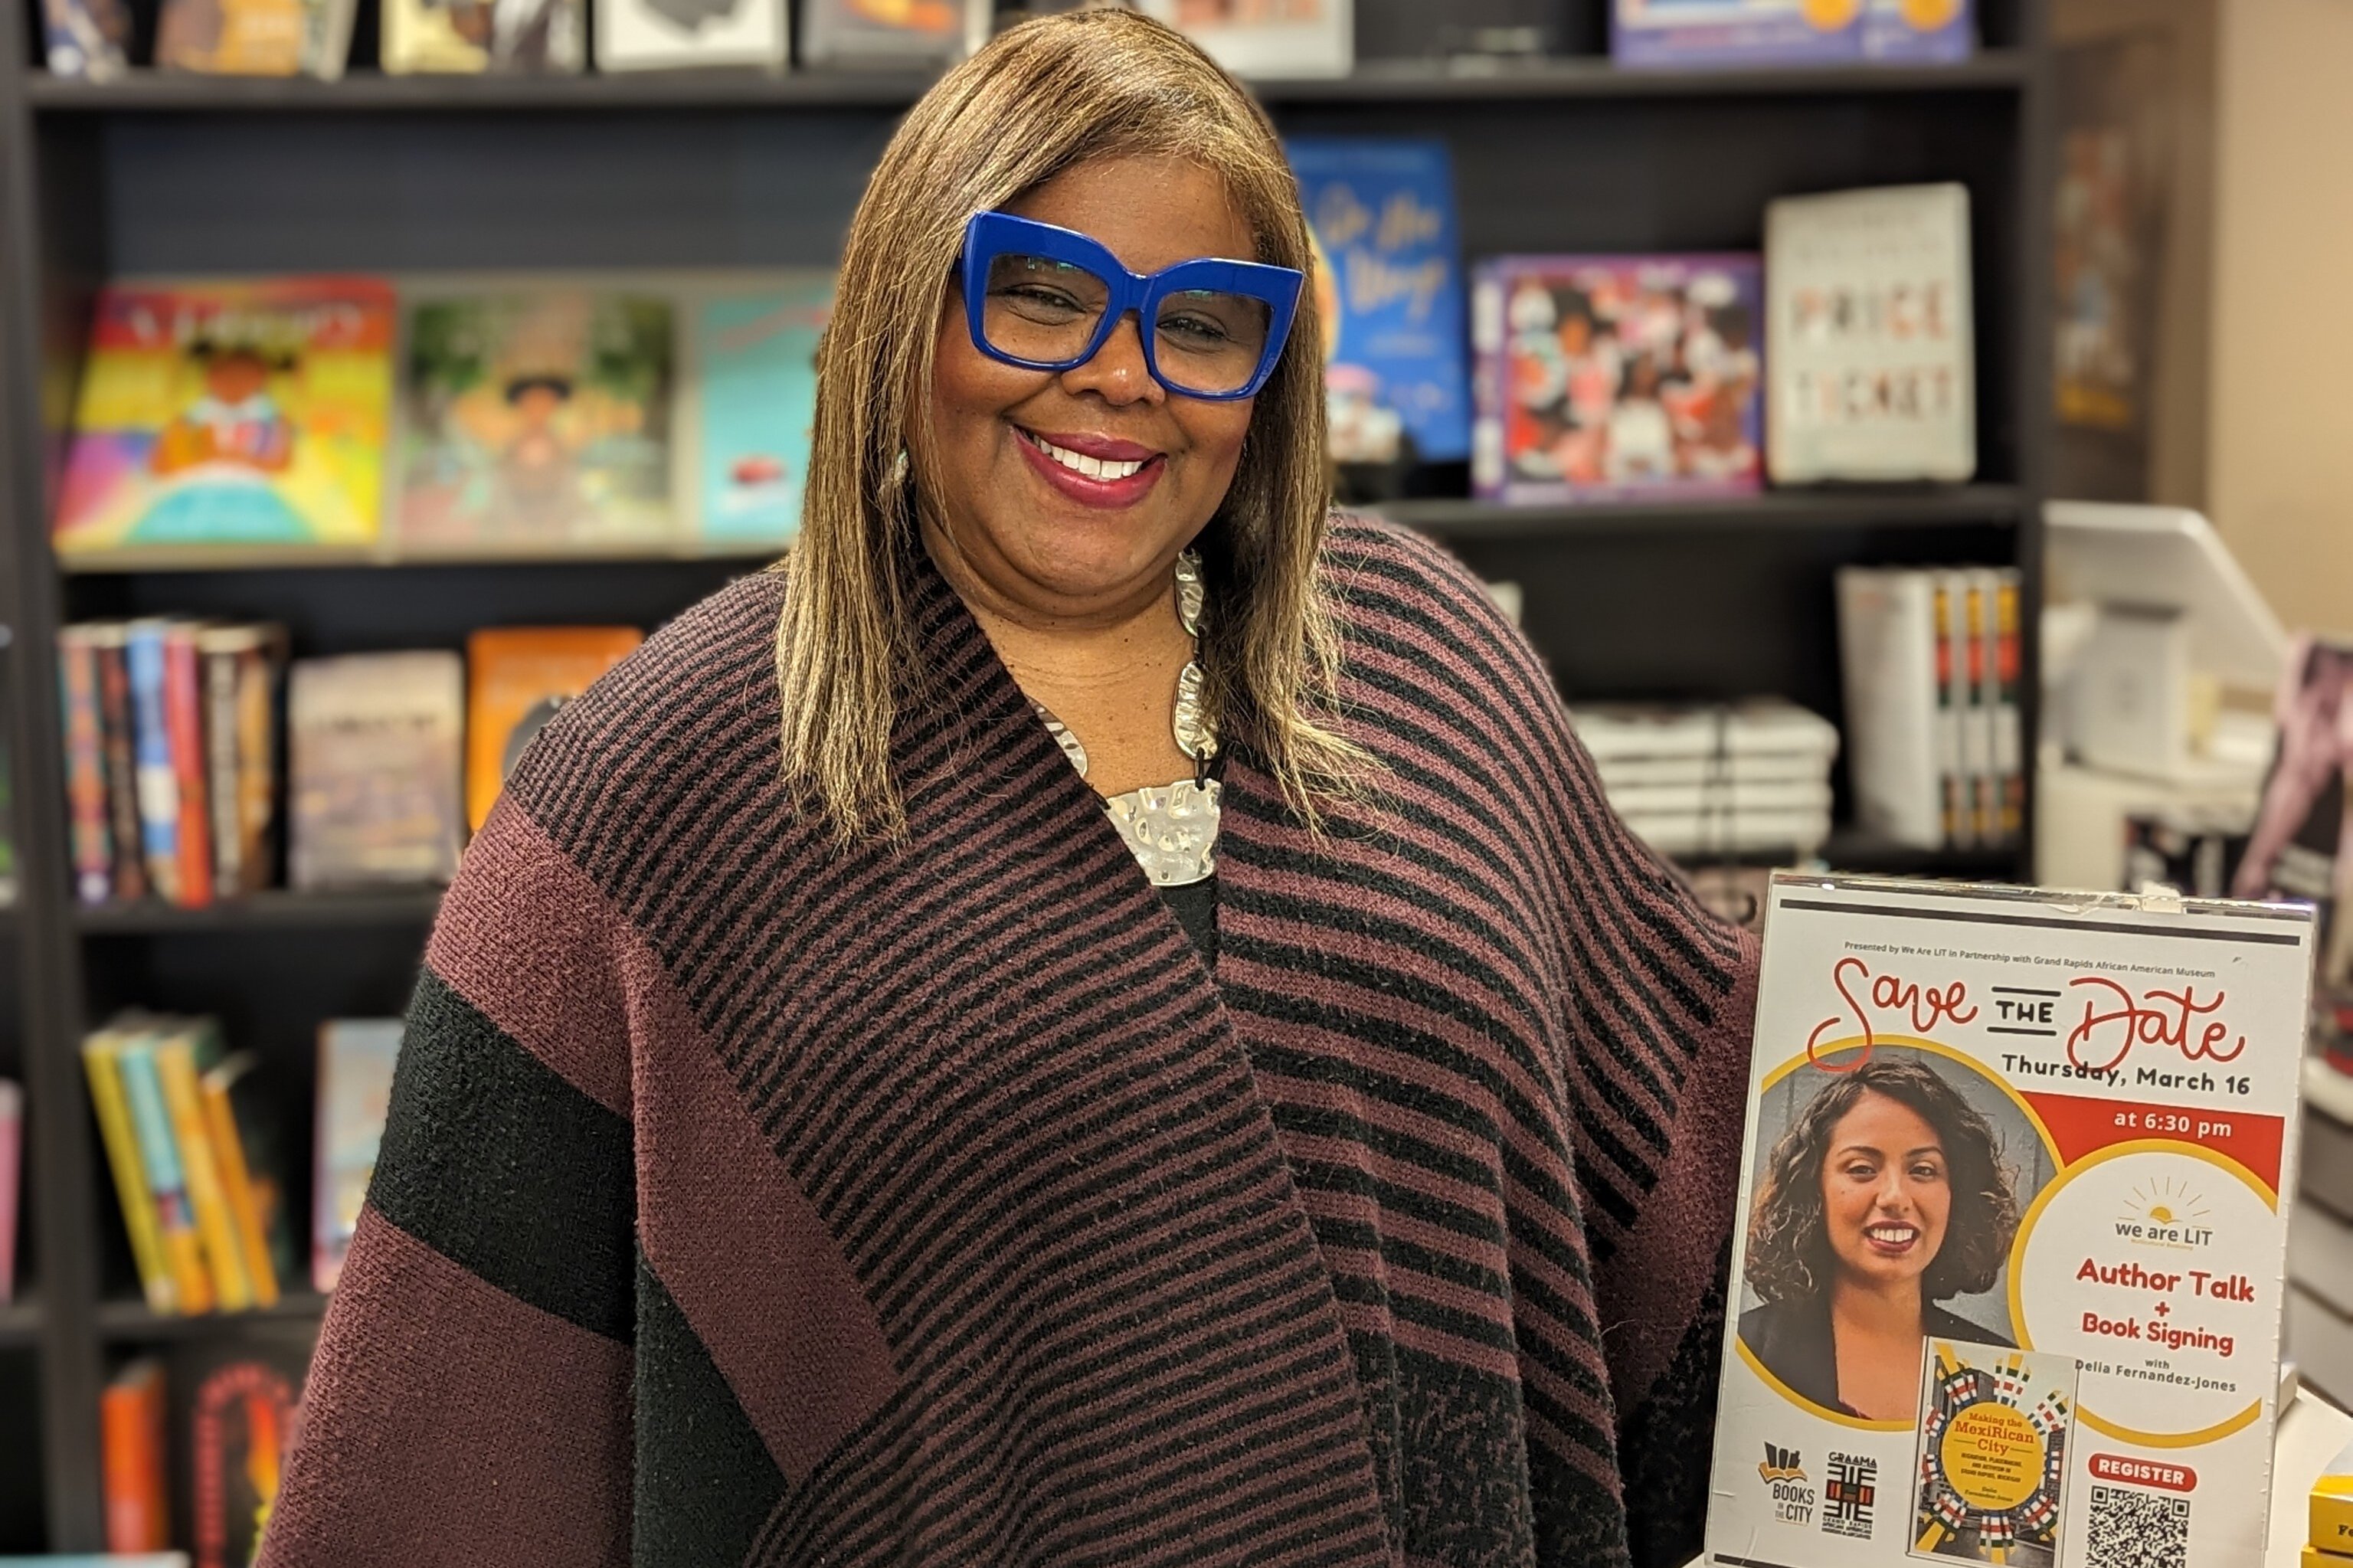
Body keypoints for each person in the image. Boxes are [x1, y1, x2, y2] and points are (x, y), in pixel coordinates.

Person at [258, 11, 1759, 1566]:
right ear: (908, 303)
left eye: (1202, 323)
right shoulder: (652, 799)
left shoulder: (1421, 660)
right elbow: (438, 1451)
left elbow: (1723, 1163)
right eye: (1039, 297)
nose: (1119, 377)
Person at [1737, 1055, 2021, 1422]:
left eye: (1922, 1170)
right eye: (1862, 1169)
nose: (1894, 1198)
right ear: (1814, 1190)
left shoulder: (2005, 1377)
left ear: (1957, 1194)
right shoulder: (1746, 1351)